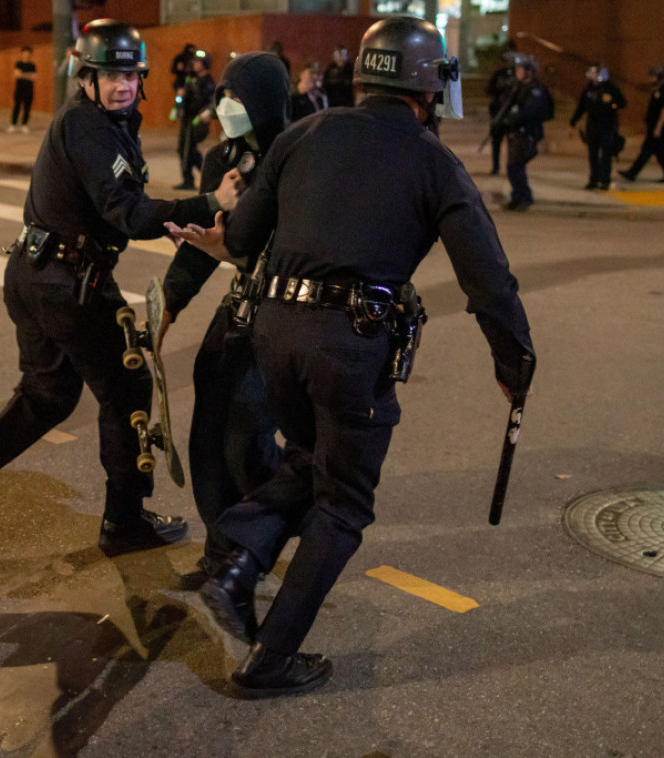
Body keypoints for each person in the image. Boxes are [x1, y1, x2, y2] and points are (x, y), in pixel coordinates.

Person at [166, 16, 534, 698]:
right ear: (429, 86)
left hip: (271, 334)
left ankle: (238, 557)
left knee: (311, 462)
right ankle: (269, 657)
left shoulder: (306, 132)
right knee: (344, 504)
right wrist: (514, 363)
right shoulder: (432, 161)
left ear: (365, 72)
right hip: (348, 347)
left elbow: (243, 236)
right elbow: (488, 279)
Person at [0, 19, 243, 558]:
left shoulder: (104, 123)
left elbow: (118, 208)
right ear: (84, 78)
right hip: (69, 284)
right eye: (108, 75)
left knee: (48, 396)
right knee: (128, 389)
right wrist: (211, 202)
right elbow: (129, 213)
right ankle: (124, 522)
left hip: (37, 273)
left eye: (131, 75)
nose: (123, 85)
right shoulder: (89, 127)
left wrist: (183, 219)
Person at [161, 51, 292, 590]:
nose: (225, 106)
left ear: (263, 101)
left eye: (236, 97)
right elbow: (201, 245)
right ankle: (221, 554)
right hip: (239, 305)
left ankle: (259, 539)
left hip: (284, 311)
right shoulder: (222, 160)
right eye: (223, 95)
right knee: (207, 433)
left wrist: (233, 248)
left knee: (247, 437)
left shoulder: (298, 155)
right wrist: (168, 305)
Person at [500, 54, 552, 211]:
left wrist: (514, 119)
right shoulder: (520, 87)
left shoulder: (535, 90)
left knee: (515, 165)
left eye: (520, 69)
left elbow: (529, 112)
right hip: (516, 132)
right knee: (514, 166)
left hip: (526, 132)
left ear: (528, 71)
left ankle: (524, 196)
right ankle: (519, 195)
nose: (517, 72)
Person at [568, 63, 626, 190]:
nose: (594, 77)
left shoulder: (610, 88)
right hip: (592, 125)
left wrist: (612, 103)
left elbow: (622, 103)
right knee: (592, 154)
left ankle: (605, 180)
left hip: (607, 125)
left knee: (606, 154)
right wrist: (573, 122)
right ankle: (594, 179)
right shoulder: (588, 89)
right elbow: (581, 107)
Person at [618, 65, 664, 184]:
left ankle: (632, 173)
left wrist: (658, 127)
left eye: (652, 75)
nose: (650, 78)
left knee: (647, 151)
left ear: (658, 77)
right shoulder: (656, 90)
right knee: (660, 153)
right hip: (653, 126)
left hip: (658, 127)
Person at [174, 52, 215, 190]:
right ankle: (202, 175)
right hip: (187, 120)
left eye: (198, 62)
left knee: (188, 150)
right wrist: (179, 107)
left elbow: (211, 103)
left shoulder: (209, 83)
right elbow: (182, 98)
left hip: (197, 121)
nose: (195, 64)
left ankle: (192, 179)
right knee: (184, 149)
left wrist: (205, 114)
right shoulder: (191, 80)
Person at [485, 51, 517, 175]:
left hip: (511, 115)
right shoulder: (498, 75)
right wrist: (499, 87)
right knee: (496, 142)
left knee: (512, 144)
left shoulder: (517, 75)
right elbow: (489, 90)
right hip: (498, 112)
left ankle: (511, 168)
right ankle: (496, 167)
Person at [8, 46, 36, 133]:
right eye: (25, 53)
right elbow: (17, 75)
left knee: (27, 108)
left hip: (29, 89)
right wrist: (28, 75)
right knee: (16, 107)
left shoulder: (32, 65)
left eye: (28, 53)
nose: (26, 55)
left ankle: (24, 124)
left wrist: (23, 74)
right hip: (19, 89)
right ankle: (13, 124)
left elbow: (34, 77)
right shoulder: (18, 63)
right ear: (22, 54)